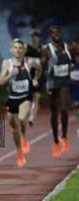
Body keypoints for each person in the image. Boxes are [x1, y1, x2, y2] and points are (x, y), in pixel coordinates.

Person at [0, 38, 41, 167]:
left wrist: (35, 79)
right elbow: (0, 82)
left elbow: (39, 68)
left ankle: (24, 137)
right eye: (15, 48)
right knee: (13, 129)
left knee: (22, 119)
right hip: (12, 99)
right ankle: (19, 152)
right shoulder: (7, 63)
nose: (18, 50)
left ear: (24, 50)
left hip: (25, 97)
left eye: (20, 48)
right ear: (11, 50)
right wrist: (11, 74)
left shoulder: (30, 62)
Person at [41, 25, 73, 159]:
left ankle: (64, 137)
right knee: (54, 113)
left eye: (58, 32)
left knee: (64, 109)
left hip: (64, 82)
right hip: (53, 83)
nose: (56, 35)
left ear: (61, 33)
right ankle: (55, 141)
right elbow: (42, 65)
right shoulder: (47, 49)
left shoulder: (68, 47)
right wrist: (44, 62)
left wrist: (72, 65)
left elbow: (74, 60)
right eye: (53, 33)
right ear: (50, 35)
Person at [25, 29, 45, 126]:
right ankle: (25, 113)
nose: (35, 38)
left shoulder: (42, 49)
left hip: (38, 76)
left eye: (37, 36)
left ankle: (31, 118)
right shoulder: (26, 48)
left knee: (36, 97)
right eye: (33, 36)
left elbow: (44, 62)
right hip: (28, 77)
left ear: (39, 38)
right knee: (27, 98)